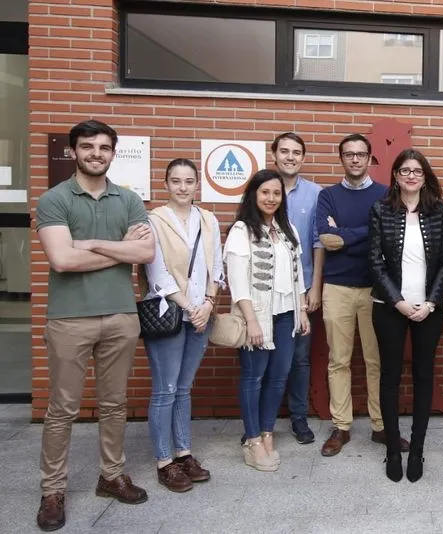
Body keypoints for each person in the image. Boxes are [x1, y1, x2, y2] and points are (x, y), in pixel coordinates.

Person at [35, 120, 154, 531]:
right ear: (74, 152)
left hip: (121, 315)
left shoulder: (129, 199)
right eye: (88, 147)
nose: (96, 153)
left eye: (104, 147)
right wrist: (121, 251)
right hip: (69, 318)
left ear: (113, 153)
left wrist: (89, 244)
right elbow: (62, 261)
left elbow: (147, 250)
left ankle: (111, 475)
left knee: (114, 404)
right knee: (62, 409)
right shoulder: (54, 199)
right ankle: (52, 490)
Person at [317, 134, 408, 456]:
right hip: (337, 287)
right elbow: (326, 238)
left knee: (376, 361)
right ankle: (341, 426)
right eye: (348, 154)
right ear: (341, 158)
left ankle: (381, 427)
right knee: (338, 360)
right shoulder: (327, 196)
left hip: (376, 289)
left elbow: (387, 236)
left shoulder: (386, 195)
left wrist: (345, 235)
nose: (355, 160)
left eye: (360, 154)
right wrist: (366, 232)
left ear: (370, 159)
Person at [369, 149, 443, 483]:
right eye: (405, 170)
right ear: (395, 176)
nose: (411, 176)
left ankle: (417, 448)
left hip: (428, 310)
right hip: (390, 308)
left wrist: (431, 302)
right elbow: (374, 262)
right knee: (389, 376)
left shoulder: (438, 211)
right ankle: (392, 448)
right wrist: (398, 301)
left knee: (423, 375)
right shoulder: (381, 209)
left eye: (417, 171)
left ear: (425, 176)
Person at [141, 158, 224, 492]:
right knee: (165, 390)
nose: (183, 187)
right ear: (166, 184)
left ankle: (184, 452)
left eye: (189, 181)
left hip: (200, 315)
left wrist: (208, 303)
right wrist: (191, 305)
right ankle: (165, 461)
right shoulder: (154, 219)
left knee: (184, 388)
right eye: (176, 181)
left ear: (196, 185)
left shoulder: (208, 219)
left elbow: (216, 265)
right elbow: (156, 272)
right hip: (170, 314)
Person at [224, 169, 310, 472]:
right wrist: (252, 322)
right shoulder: (241, 231)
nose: (271, 198)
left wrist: (301, 309)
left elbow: (298, 275)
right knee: (253, 377)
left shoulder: (289, 230)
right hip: (257, 316)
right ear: (253, 195)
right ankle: (252, 440)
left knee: (278, 377)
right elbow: (237, 284)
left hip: (287, 314)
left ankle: (267, 431)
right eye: (265, 192)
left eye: (276, 193)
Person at [271, 132, 324, 445]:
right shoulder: (261, 189)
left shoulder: (316, 194)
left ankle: (299, 419)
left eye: (296, 153)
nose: (290, 157)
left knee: (299, 359)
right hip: (265, 291)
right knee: (265, 356)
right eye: (284, 151)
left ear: (303, 158)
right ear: (274, 154)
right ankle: (262, 423)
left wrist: (315, 287)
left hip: (301, 289)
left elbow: (319, 243)